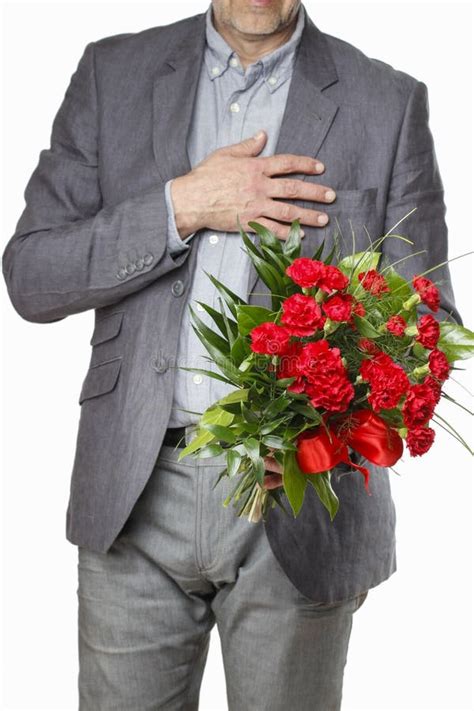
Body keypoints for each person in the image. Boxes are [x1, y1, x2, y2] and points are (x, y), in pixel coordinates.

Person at [2, 1, 459, 708]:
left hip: (302, 511)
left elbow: (427, 326)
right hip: (133, 492)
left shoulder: (388, 101)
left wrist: (322, 440)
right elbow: (32, 276)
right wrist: (181, 205)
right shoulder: (111, 74)